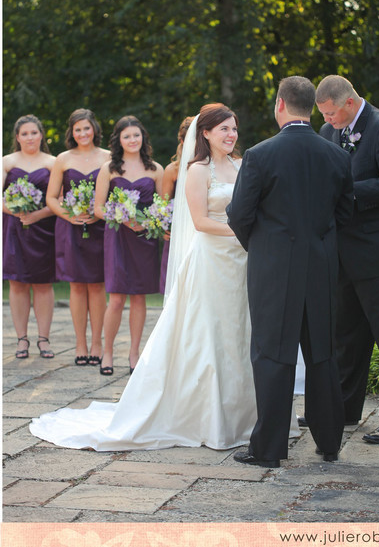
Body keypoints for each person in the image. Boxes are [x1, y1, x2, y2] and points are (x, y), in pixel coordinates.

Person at [29, 103, 299, 450]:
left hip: (243, 262)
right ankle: (209, 418)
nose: (231, 135)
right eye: (224, 129)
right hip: (211, 261)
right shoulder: (198, 170)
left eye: (234, 128)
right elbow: (200, 221)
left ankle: (250, 417)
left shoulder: (245, 164)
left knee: (242, 333)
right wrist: (247, 234)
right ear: (206, 134)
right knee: (210, 334)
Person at [227, 76, 353, 467]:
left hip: (274, 272)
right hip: (321, 269)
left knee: (271, 355)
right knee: (322, 355)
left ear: (280, 104)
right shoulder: (336, 155)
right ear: (312, 108)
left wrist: (264, 248)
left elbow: (238, 215)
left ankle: (268, 450)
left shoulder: (260, 155)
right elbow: (344, 214)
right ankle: (329, 443)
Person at [314, 75, 379, 444]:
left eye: (332, 114)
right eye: (325, 115)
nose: (328, 121)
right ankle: (344, 409)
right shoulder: (328, 130)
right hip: (340, 252)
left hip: (377, 252)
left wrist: (346, 194)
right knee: (345, 335)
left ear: (349, 103)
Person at [94, 116, 164, 376]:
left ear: (143, 137)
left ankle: (134, 353)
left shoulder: (156, 169)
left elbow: (163, 205)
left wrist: (151, 222)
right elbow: (98, 208)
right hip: (118, 237)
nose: (133, 140)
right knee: (116, 299)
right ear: (119, 140)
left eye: (136, 135)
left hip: (144, 238)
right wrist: (121, 217)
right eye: (127, 136)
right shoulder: (109, 169)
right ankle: (108, 352)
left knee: (139, 297)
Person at [46, 109, 110, 367]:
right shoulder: (62, 159)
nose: (83, 133)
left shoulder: (108, 157)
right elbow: (51, 197)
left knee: (97, 285)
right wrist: (69, 216)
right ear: (71, 132)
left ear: (94, 128)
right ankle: (80, 343)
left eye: (86, 128)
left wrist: (99, 213)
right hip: (71, 228)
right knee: (76, 286)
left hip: (99, 228)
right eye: (77, 129)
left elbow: (115, 193)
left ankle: (97, 343)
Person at [3, 115, 57, 359]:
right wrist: (14, 209)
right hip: (14, 229)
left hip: (43, 229)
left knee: (43, 283)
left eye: (34, 132)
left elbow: (58, 198)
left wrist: (37, 215)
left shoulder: (53, 162)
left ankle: (44, 339)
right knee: (17, 283)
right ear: (17, 137)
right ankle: (21, 339)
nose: (29, 137)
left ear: (41, 134)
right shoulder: (6, 161)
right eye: (24, 134)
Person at [159, 116, 193, 294]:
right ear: (181, 140)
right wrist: (166, 225)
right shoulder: (172, 170)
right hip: (178, 235)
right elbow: (163, 205)